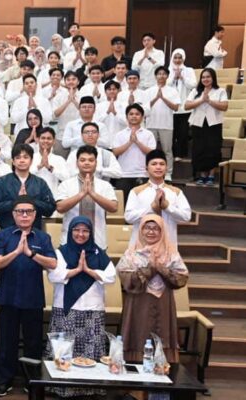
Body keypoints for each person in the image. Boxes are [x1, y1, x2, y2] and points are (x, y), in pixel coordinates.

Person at [0, 195, 57, 397]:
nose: (25, 215)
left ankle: (32, 381)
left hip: (33, 298)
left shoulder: (42, 237)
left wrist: (30, 253)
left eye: (29, 211)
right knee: (7, 342)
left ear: (35, 214)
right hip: (8, 297)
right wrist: (17, 251)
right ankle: (5, 380)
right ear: (13, 214)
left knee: (33, 342)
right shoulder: (3, 235)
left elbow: (53, 264)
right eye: (20, 211)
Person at [46, 216, 115, 398]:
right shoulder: (61, 252)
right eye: (77, 230)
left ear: (91, 233)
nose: (80, 234)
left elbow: (112, 276)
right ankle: (62, 388)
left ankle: (90, 388)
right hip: (66, 308)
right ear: (70, 232)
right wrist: (76, 270)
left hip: (93, 308)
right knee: (65, 349)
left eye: (85, 231)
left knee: (90, 349)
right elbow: (53, 275)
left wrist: (89, 271)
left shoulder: (99, 253)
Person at [117, 215, 188, 364]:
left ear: (162, 231)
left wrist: (161, 268)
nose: (151, 232)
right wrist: (149, 269)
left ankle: (162, 377)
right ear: (141, 230)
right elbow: (125, 279)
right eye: (147, 228)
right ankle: (135, 384)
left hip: (163, 303)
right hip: (138, 304)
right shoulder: (132, 254)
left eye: (156, 228)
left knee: (163, 337)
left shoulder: (171, 253)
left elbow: (181, 278)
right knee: (138, 336)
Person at [55, 145, 119, 248]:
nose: (87, 163)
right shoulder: (66, 184)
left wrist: (93, 194)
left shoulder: (105, 185)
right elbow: (60, 208)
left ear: (96, 163)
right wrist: (81, 194)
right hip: (69, 242)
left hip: (97, 241)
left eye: (91, 160)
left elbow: (114, 207)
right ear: (77, 163)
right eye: (83, 160)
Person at [125, 150, 191, 246]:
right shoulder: (136, 191)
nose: (158, 167)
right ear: (146, 168)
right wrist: (151, 208)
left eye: (162, 164)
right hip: (141, 247)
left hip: (168, 245)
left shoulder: (176, 192)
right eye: (154, 164)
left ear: (166, 168)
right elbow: (129, 218)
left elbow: (186, 216)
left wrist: (167, 207)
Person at [0, 144, 56, 230]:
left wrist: (30, 201)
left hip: (34, 233)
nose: (22, 160)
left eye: (25, 157)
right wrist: (16, 202)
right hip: (8, 232)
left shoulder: (40, 183)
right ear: (13, 161)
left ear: (31, 161)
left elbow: (50, 209)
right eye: (18, 157)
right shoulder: (2, 182)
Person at [184, 68, 228, 186]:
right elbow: (187, 106)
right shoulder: (195, 91)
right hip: (198, 123)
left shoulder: (220, 91)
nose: (205, 79)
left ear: (213, 78)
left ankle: (211, 175)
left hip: (214, 124)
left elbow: (224, 106)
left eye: (208, 77)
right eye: (203, 77)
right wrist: (201, 100)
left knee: (213, 149)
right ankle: (202, 175)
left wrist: (209, 101)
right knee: (199, 149)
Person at [111, 104, 155, 200]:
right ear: (127, 117)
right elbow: (115, 152)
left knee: (142, 204)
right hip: (123, 175)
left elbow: (152, 154)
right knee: (123, 206)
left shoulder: (148, 134)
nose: (134, 116)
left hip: (142, 174)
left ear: (142, 117)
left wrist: (137, 142)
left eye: (137, 114)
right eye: (131, 114)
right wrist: (130, 142)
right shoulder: (119, 134)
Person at [146, 66, 180, 179]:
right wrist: (156, 98)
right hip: (151, 125)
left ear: (167, 76)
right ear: (155, 76)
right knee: (150, 150)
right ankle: (149, 172)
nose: (161, 76)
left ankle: (168, 173)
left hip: (166, 125)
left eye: (164, 74)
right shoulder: (149, 91)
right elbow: (144, 108)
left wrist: (163, 98)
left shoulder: (172, 91)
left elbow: (176, 107)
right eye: (159, 74)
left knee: (167, 151)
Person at [168, 49, 197, 162]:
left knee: (183, 132)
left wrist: (182, 77)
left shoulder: (189, 70)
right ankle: (172, 154)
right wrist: (174, 77)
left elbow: (193, 84)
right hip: (171, 107)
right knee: (172, 133)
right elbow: (165, 84)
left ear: (183, 58)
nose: (178, 60)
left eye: (180, 57)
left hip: (184, 107)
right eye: (175, 57)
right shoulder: (168, 70)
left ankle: (181, 154)